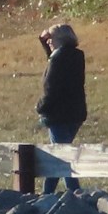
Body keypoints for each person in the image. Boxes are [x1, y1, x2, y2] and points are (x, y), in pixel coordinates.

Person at [34, 24, 85, 195]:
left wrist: (40, 107)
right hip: (76, 113)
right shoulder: (77, 56)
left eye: (51, 39)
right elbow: (54, 59)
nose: (49, 42)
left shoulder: (58, 60)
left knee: (62, 158)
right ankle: (47, 193)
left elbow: (53, 89)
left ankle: (75, 193)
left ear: (60, 40)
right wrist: (44, 42)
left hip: (58, 115)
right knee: (60, 153)